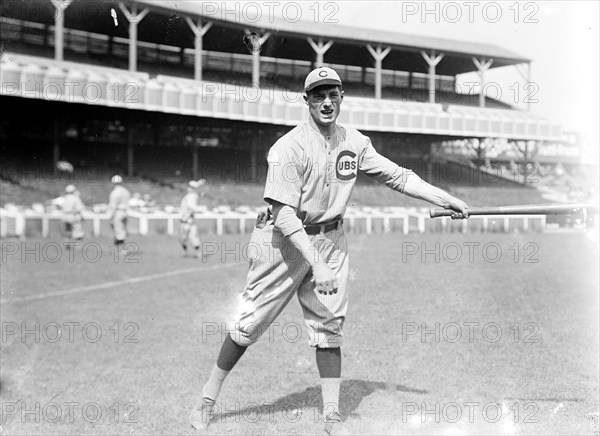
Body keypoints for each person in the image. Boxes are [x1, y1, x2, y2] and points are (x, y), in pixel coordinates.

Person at [190, 67, 469, 434]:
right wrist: (316, 262)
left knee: (329, 327)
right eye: (318, 95)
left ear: (341, 98)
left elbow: (398, 176)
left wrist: (446, 198)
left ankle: (332, 416)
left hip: (333, 239)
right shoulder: (288, 147)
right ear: (306, 100)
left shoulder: (354, 142)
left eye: (332, 94)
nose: (326, 102)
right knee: (249, 324)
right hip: (284, 243)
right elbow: (283, 213)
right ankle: (207, 399)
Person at [178, 179, 205, 258]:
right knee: (192, 237)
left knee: (183, 237)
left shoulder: (191, 196)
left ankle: (186, 252)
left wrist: (185, 218)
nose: (188, 188)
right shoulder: (192, 195)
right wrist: (199, 183)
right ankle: (197, 252)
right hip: (190, 220)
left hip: (186, 220)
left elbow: (191, 209)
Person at [108, 175, 131, 251]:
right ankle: (118, 249)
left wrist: (111, 216)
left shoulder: (114, 193)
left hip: (118, 212)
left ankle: (121, 250)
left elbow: (113, 205)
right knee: (123, 231)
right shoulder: (126, 191)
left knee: (118, 232)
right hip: (125, 212)